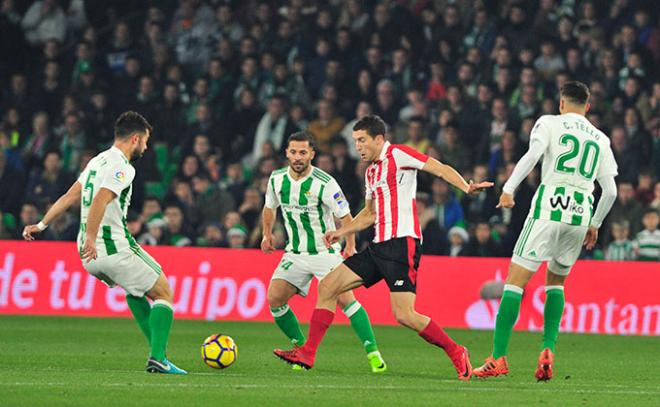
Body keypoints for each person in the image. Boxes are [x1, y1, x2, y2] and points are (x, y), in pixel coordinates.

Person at [273, 115, 493, 380]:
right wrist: (340, 232)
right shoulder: (371, 171)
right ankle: (308, 353)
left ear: (379, 139)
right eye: (355, 141)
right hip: (379, 246)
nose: (358, 147)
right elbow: (369, 214)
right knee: (328, 286)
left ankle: (457, 351)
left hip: (402, 244)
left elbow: (439, 168)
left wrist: (466, 187)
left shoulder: (399, 154)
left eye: (362, 140)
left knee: (405, 315)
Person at [473, 82, 618, 381]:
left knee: (514, 283)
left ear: (562, 103)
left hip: (549, 207)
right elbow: (611, 191)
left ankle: (498, 357)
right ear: (588, 107)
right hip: (581, 214)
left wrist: (509, 188)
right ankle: (548, 348)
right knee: (556, 285)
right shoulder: (601, 139)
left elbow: (533, 155)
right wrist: (596, 223)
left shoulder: (549, 123)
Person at [22, 111, 186, 375]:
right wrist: (92, 237)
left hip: (88, 256)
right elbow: (101, 198)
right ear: (135, 138)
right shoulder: (123, 167)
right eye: (144, 141)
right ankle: (158, 357)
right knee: (164, 293)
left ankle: (159, 355)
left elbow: (68, 196)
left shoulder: (96, 161)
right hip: (110, 246)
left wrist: (41, 224)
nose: (145, 147)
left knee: (136, 291)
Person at [262, 130, 387, 373]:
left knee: (347, 301)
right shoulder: (276, 179)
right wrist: (267, 233)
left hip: (325, 252)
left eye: (303, 152)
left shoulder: (325, 183)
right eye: (294, 152)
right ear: (287, 153)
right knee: (275, 299)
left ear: (312, 154)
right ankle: (299, 348)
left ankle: (373, 352)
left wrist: (350, 245)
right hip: (295, 253)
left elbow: (346, 217)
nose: (298, 157)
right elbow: (269, 207)